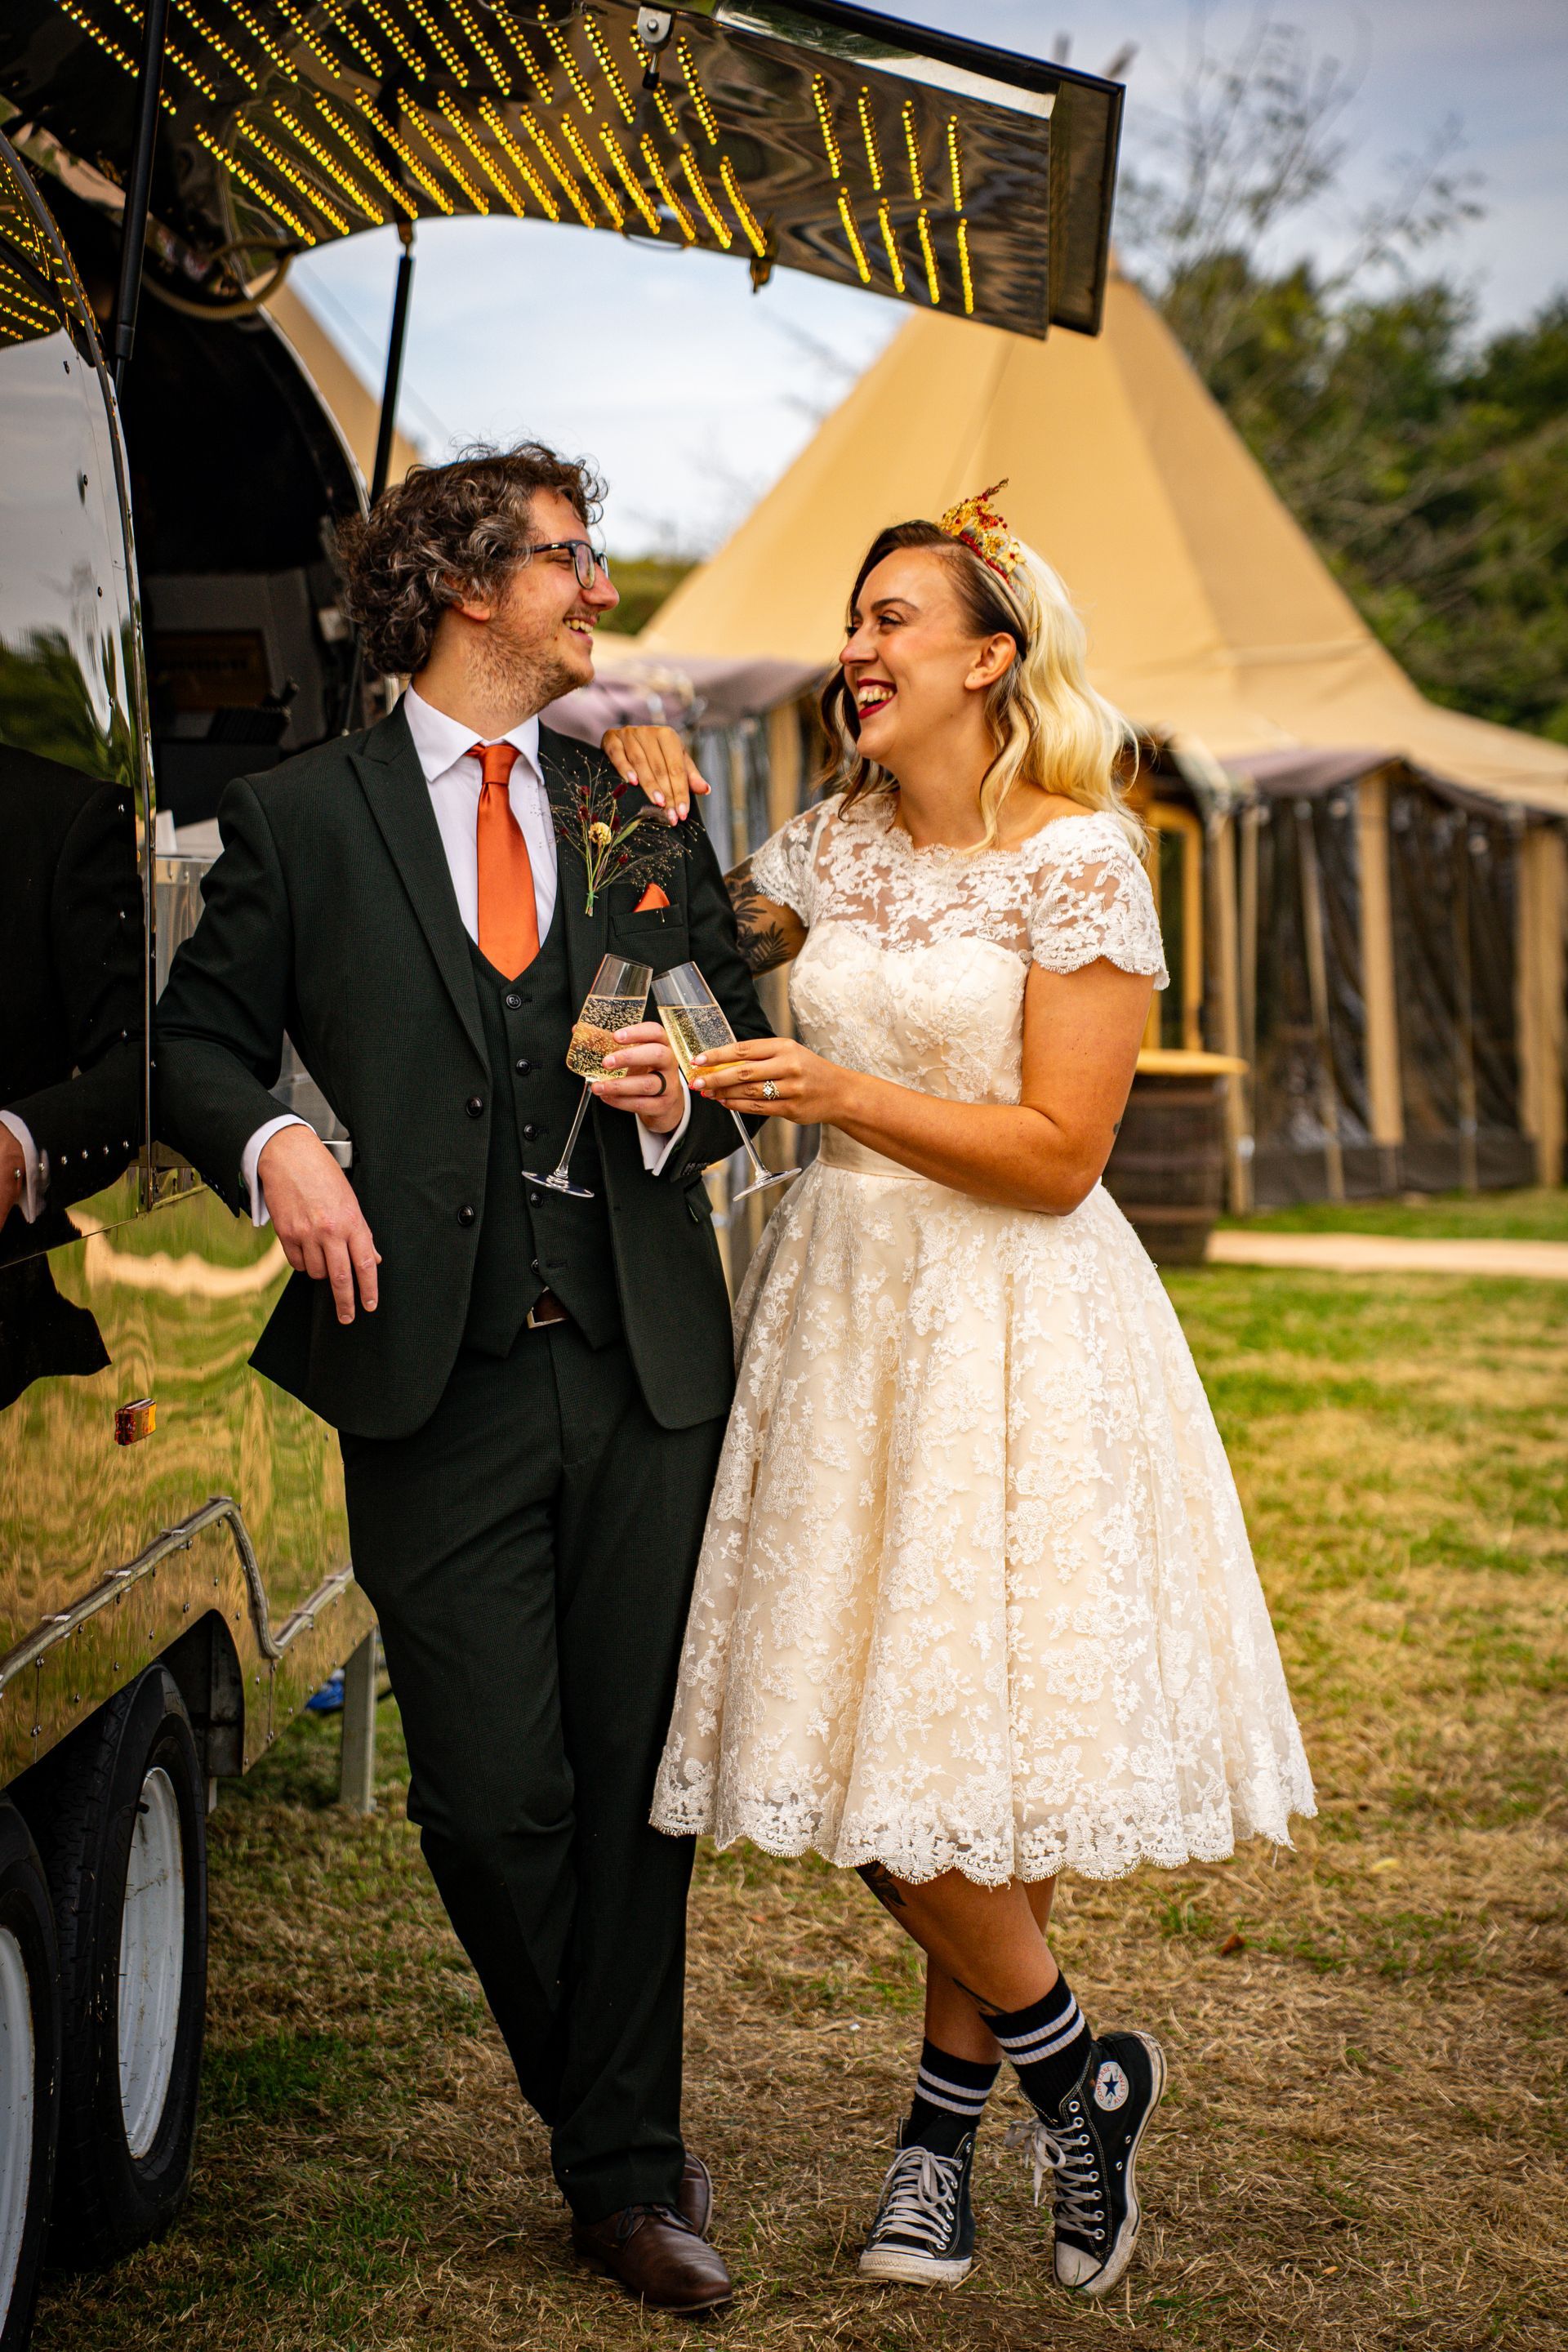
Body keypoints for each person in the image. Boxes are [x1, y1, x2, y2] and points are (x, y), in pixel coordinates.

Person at [650, 487, 1316, 2298]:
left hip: (1016, 1320)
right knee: (880, 1740)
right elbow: (685, 945)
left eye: (891, 621)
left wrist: (839, 1095)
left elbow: (1058, 1155)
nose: (854, 652)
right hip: (843, 1315)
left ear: (988, 657)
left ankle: (949, 2138)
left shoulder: (1084, 857)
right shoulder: (828, 847)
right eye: (852, 622)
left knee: (969, 1762)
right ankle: (1074, 2069)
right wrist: (639, 803)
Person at [154, 443, 769, 2316]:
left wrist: (687, 1082)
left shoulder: (639, 808)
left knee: (631, 1780)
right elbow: (192, 1040)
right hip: (437, 1373)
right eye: (571, 561)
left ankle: (624, 2167)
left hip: (647, 1362)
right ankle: (618, 2126)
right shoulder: (302, 821)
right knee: (489, 1796)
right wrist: (279, 1147)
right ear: (462, 588)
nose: (601, 591)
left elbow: (741, 1035)